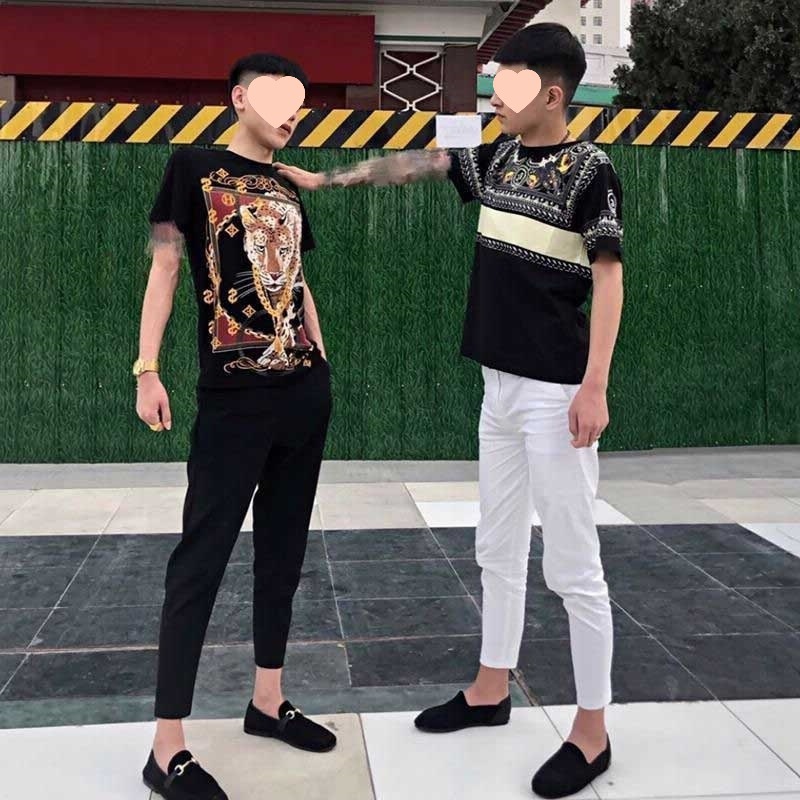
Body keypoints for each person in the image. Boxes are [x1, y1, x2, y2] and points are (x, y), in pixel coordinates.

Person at [275, 23, 624, 799]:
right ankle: (490, 689)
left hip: (556, 393)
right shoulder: (496, 157)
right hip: (499, 388)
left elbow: (609, 278)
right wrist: (328, 181)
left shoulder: (590, 171)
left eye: (511, 84)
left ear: (553, 94)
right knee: (495, 547)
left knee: (573, 568)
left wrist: (595, 385)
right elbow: (419, 165)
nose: (497, 96)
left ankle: (592, 731)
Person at [134, 53, 335, 800]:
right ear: (240, 98)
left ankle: (267, 701)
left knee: (283, 552)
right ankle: (166, 748)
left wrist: (321, 361)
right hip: (232, 399)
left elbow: (300, 282)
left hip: (301, 393)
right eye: (280, 98)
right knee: (201, 559)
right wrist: (146, 368)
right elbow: (165, 268)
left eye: (300, 103)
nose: (292, 114)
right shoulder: (191, 167)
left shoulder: (287, 184)